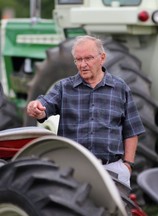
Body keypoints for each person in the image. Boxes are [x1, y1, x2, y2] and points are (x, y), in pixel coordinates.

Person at [26, 35, 145, 187]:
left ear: (102, 58)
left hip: (112, 168)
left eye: (88, 58)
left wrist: (127, 165)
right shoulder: (64, 87)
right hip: (73, 168)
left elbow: (131, 130)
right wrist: (36, 107)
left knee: (117, 210)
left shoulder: (120, 88)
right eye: (78, 59)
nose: (83, 64)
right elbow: (45, 105)